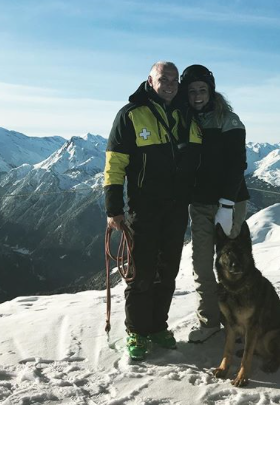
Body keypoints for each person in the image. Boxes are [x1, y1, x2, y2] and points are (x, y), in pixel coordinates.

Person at [104, 61, 202, 360]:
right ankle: (136, 331)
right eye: (164, 78)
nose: (170, 83)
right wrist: (113, 208)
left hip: (176, 209)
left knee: (167, 272)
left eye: (174, 79)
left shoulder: (188, 115)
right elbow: (115, 163)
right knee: (140, 273)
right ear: (150, 80)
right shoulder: (131, 114)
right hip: (142, 209)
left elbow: (200, 159)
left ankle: (158, 326)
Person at [179, 64, 250, 343]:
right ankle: (209, 321)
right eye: (192, 90)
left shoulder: (228, 120)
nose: (197, 95)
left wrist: (227, 204)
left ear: (211, 91)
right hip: (199, 203)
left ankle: (241, 322)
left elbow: (237, 164)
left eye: (202, 90)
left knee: (233, 265)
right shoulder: (184, 120)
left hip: (230, 202)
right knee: (202, 265)